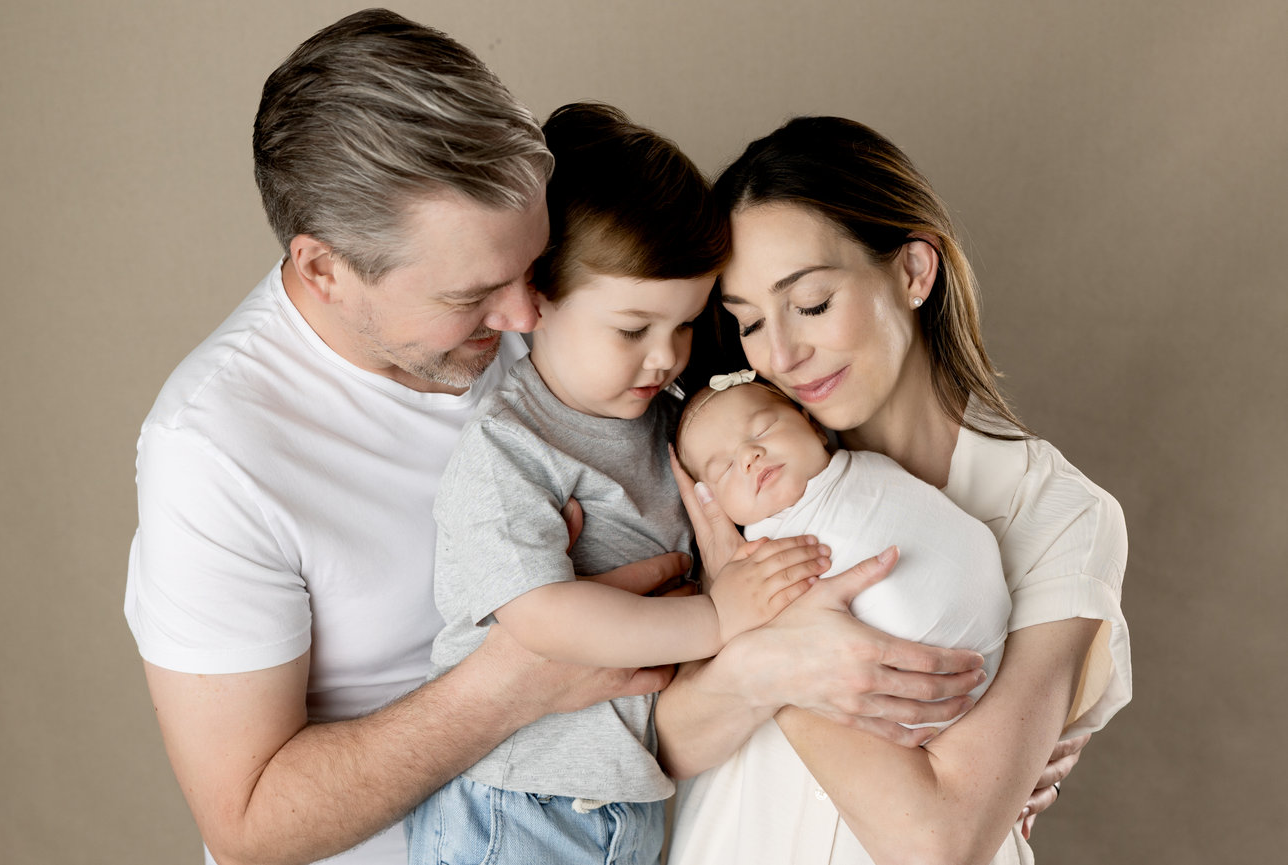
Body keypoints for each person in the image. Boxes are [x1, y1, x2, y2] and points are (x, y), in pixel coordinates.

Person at [122, 13, 693, 865]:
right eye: (471, 297)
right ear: (324, 269)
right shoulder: (213, 449)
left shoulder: (550, 302)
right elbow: (248, 823)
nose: (525, 317)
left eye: (533, 266)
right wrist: (518, 674)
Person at [658, 116, 1131, 865]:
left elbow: (937, 841)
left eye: (811, 303)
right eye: (748, 323)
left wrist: (773, 645)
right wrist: (770, 659)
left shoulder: (1055, 512)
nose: (781, 354)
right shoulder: (731, 470)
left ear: (913, 271)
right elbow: (657, 748)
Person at [405, 102, 824, 865]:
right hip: (513, 801)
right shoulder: (508, 446)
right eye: (633, 329)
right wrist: (714, 619)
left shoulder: (672, 419)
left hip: (622, 801)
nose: (664, 357)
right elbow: (542, 615)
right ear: (538, 296)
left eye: (684, 324)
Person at [673, 372, 1010, 729]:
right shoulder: (760, 556)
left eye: (763, 429)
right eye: (724, 467)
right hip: (910, 692)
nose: (748, 456)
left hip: (994, 634)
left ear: (813, 426)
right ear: (713, 504)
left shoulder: (864, 463)